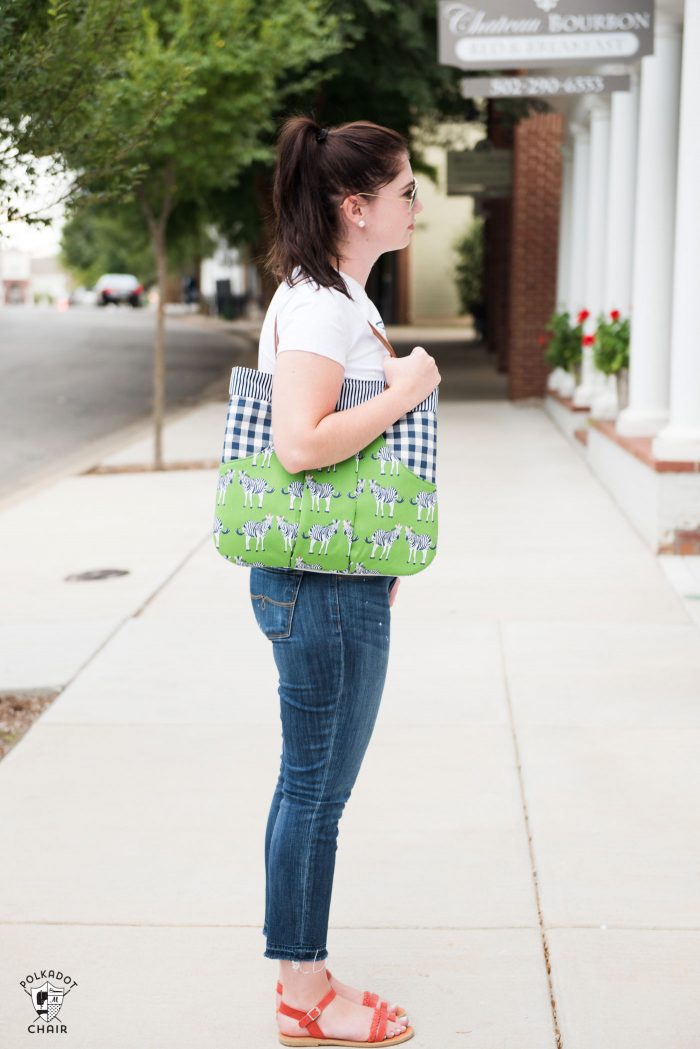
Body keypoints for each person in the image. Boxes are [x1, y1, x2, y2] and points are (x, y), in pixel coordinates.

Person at [252, 116, 440, 1046]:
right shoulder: (323, 306)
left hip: (337, 575)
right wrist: (406, 388)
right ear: (355, 206)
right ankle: (302, 988)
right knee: (314, 788)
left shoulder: (333, 297)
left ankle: (307, 971)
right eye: (407, 190)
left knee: (316, 785)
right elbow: (298, 442)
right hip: (319, 583)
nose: (418, 204)